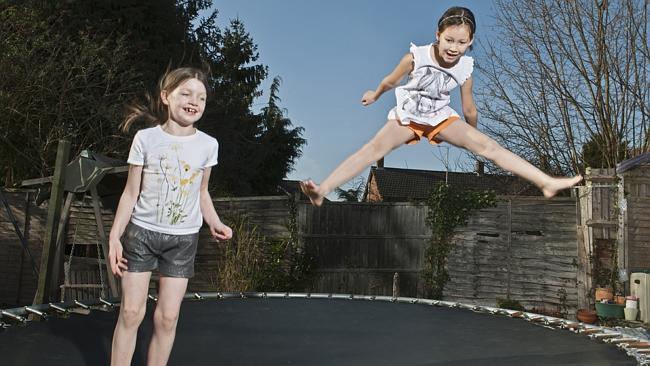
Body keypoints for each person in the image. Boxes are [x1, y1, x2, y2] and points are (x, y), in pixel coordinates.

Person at [300, 6, 582, 206]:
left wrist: (475, 139)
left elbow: (469, 109)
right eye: (449, 40)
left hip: (440, 118)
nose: (454, 48)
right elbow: (391, 80)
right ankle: (323, 189)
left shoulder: (465, 69)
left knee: (492, 147)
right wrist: (375, 93)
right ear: (438, 34)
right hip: (408, 115)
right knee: (374, 148)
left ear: (470, 42)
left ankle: (546, 182)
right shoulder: (416, 57)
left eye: (461, 42)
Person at [108, 67, 232, 366]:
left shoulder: (207, 144)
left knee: (168, 317)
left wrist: (215, 222)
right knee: (131, 312)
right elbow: (130, 193)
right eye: (186, 93)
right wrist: (114, 236)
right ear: (166, 96)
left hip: (183, 241)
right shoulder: (145, 139)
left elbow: (202, 193)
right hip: (142, 235)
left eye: (201, 97)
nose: (194, 101)